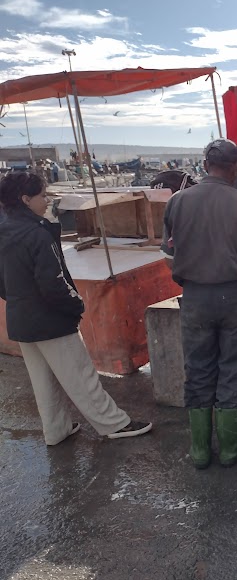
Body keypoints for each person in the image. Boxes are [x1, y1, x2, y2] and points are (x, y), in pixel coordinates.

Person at [0, 171, 152, 445]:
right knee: (81, 375)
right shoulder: (37, 233)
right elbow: (53, 282)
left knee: (43, 381)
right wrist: (75, 305)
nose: (47, 201)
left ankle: (56, 430)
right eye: (42, 196)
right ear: (25, 199)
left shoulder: (5, 230)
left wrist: (18, 300)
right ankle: (114, 424)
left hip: (21, 318)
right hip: (50, 319)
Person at [161, 139, 237, 469]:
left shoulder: (177, 201)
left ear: (204, 164)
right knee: (233, 369)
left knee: (198, 369)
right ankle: (230, 448)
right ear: (236, 167)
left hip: (195, 298)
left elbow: (168, 254)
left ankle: (198, 450)